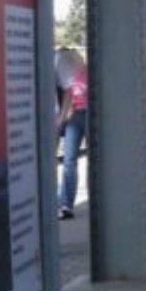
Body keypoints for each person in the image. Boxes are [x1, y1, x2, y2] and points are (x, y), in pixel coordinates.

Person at [55, 48, 88, 220]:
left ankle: (68, 203)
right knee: (69, 160)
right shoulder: (69, 69)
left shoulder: (86, 72)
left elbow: (68, 92)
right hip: (75, 115)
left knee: (75, 161)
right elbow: (68, 93)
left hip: (86, 114)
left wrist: (61, 119)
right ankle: (66, 204)